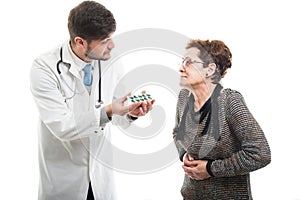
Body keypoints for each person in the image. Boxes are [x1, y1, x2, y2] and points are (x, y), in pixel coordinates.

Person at [30, 1, 154, 200]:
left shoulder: (111, 61)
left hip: (101, 181)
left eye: (111, 38)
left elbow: (116, 115)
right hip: (64, 181)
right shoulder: (45, 68)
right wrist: (108, 111)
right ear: (80, 42)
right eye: (105, 40)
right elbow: (62, 126)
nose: (112, 46)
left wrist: (131, 113)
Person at [172, 39, 271, 199]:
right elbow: (177, 133)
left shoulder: (230, 102)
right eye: (182, 61)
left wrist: (211, 169)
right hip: (190, 195)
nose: (181, 68)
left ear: (210, 69)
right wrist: (184, 155)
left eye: (188, 62)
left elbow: (260, 154)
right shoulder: (184, 97)